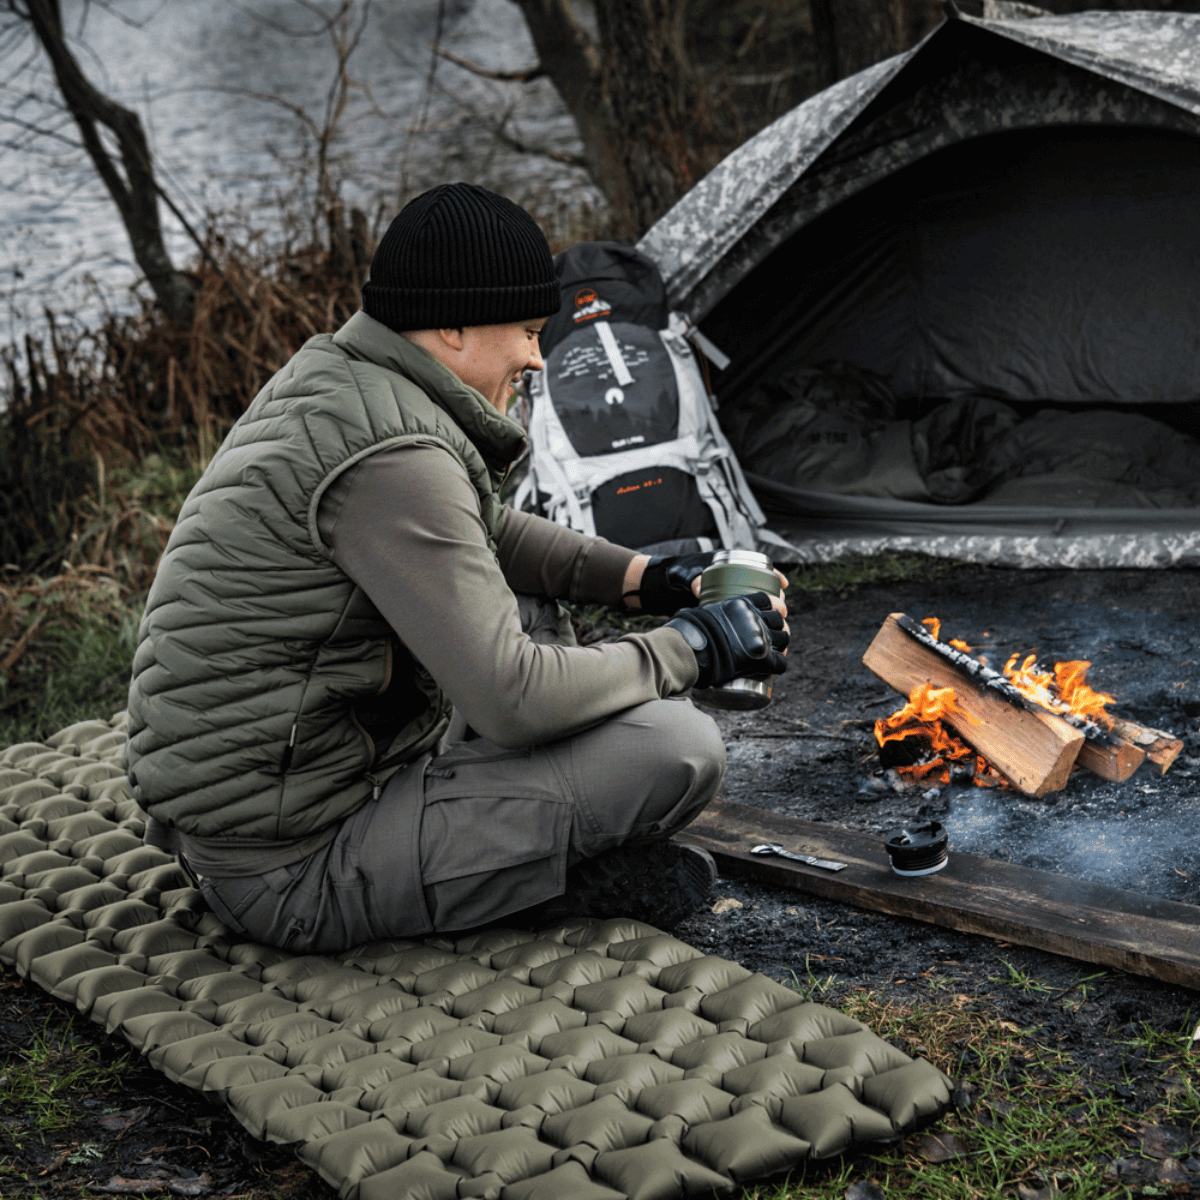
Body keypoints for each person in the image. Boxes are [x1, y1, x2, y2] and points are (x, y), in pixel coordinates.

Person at [125, 182, 788, 953]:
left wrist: (653, 579)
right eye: (529, 332)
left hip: (271, 803)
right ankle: (530, 880)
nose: (537, 357)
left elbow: (486, 534)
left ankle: (507, 853)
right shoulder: (394, 462)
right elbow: (514, 700)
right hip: (289, 870)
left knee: (533, 610)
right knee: (674, 749)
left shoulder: (342, 384)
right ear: (453, 326)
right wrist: (693, 647)